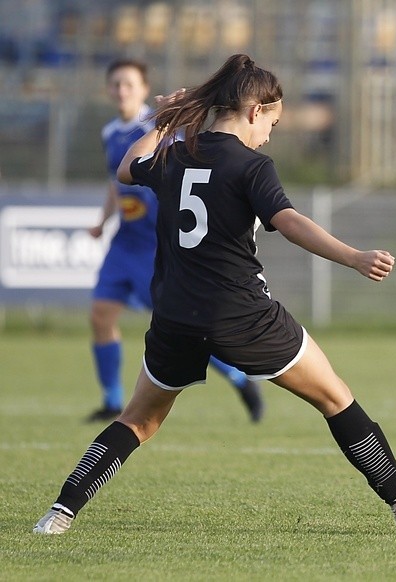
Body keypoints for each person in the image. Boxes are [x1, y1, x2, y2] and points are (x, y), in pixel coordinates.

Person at [33, 54, 396, 536]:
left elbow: (128, 169)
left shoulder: (177, 154)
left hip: (175, 317)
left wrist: (170, 120)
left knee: (137, 422)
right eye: (272, 123)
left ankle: (60, 513)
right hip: (243, 315)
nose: (270, 135)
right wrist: (354, 256)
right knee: (336, 398)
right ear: (255, 110)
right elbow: (291, 223)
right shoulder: (252, 165)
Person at [87, 58, 264, 423]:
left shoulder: (163, 125)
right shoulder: (108, 132)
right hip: (124, 243)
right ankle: (110, 400)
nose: (121, 90)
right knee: (100, 314)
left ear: (143, 90)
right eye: (116, 84)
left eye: (128, 85)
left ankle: (237, 377)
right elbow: (116, 182)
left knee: (182, 327)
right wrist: (102, 220)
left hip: (157, 243)